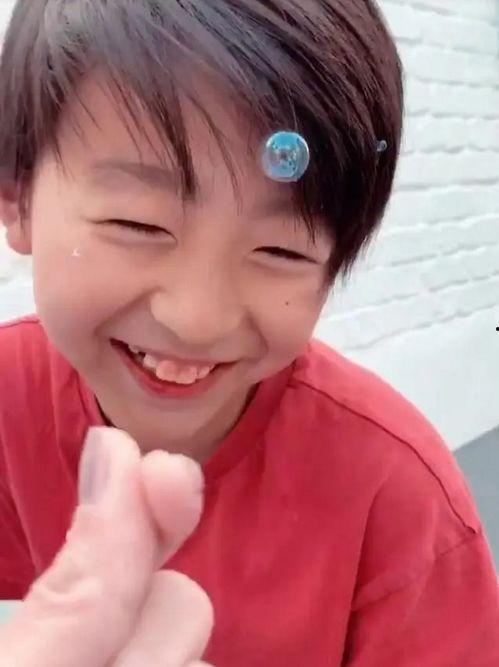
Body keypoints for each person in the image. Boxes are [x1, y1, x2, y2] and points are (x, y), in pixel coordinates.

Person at [0, 0, 497, 665]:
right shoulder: (8, 398)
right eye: (139, 224)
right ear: (18, 198)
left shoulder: (400, 501)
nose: (198, 317)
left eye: (280, 251)